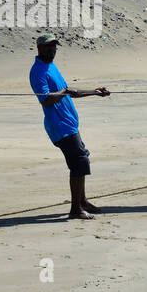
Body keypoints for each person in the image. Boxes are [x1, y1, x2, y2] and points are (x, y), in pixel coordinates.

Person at [29, 34, 110, 219]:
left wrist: (95, 92)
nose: (52, 50)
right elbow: (47, 100)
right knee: (79, 163)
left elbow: (68, 92)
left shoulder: (51, 66)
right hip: (59, 125)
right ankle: (75, 209)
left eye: (54, 47)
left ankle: (82, 201)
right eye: (48, 47)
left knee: (81, 159)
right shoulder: (37, 71)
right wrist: (64, 91)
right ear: (39, 48)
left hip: (69, 123)